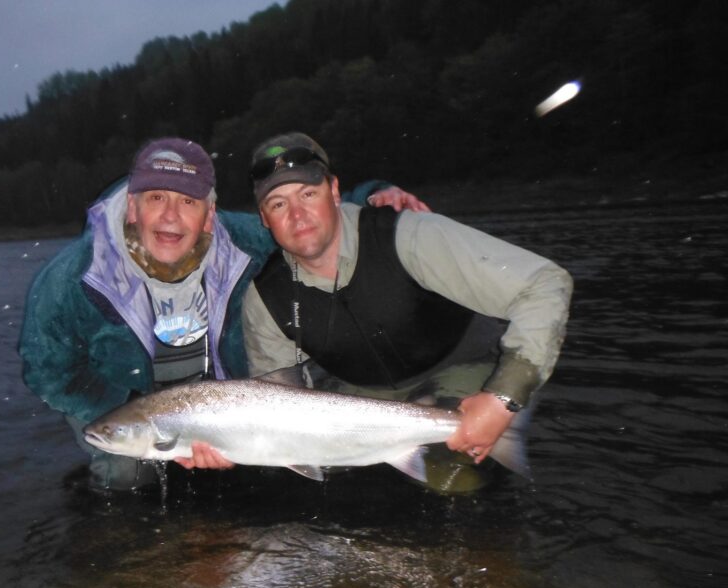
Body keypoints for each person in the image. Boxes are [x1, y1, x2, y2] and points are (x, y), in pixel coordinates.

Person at [18, 136, 424, 490]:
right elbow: (48, 371)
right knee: (124, 479)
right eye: (156, 198)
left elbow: (305, 219)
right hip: (126, 402)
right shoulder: (69, 281)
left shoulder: (247, 241)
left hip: (226, 403)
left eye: (188, 201)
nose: (171, 216)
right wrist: (125, 405)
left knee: (273, 473)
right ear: (132, 208)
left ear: (209, 215)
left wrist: (374, 195)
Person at [193, 132, 573, 491]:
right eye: (278, 204)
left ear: (335, 191)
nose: (297, 215)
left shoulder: (407, 235)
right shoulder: (265, 300)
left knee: (453, 477)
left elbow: (544, 283)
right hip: (366, 396)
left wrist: (502, 398)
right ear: (263, 218)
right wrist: (226, 444)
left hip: (463, 368)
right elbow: (275, 406)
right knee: (315, 490)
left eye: (308, 193)